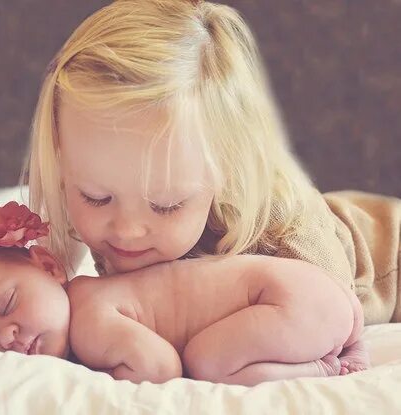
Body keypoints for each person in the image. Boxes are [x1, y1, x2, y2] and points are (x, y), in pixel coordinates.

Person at [23, 0, 400, 326]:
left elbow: (327, 311)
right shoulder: (102, 211)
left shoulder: (281, 231)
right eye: (95, 198)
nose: (127, 230)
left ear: (226, 168)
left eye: (166, 206)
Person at [0, 203, 368, 386]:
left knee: (207, 361)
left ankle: (322, 367)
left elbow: (159, 368)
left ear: (49, 265)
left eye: (8, 305)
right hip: (311, 295)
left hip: (284, 300)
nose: (7, 338)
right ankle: (345, 346)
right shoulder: (89, 301)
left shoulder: (91, 318)